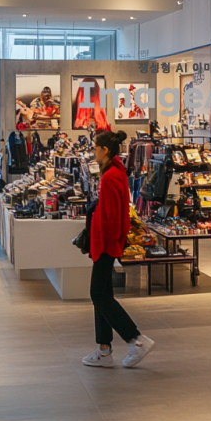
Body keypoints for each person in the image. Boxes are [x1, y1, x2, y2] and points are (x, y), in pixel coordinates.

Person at [83, 130, 154, 369]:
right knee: (103, 296)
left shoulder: (110, 176)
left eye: (96, 148)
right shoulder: (117, 172)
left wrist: (104, 242)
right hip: (107, 243)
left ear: (105, 150)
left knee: (98, 295)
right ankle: (103, 350)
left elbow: (111, 216)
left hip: (106, 243)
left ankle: (136, 340)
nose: (93, 152)